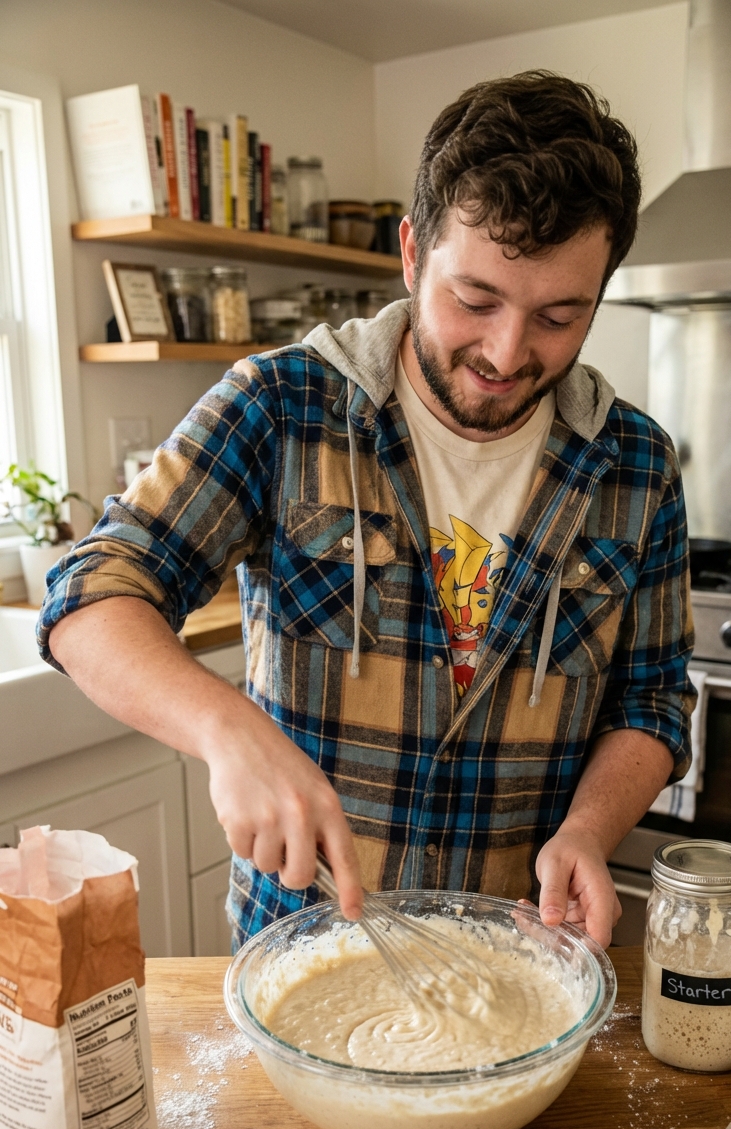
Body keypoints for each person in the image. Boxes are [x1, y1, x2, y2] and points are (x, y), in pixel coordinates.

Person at [40, 71, 695, 950]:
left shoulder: (637, 465)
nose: (506, 353)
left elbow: (650, 703)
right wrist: (226, 728)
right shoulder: (282, 406)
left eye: (559, 317)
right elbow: (90, 594)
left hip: (516, 950)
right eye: (475, 300)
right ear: (413, 253)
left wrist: (589, 829)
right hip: (303, 941)